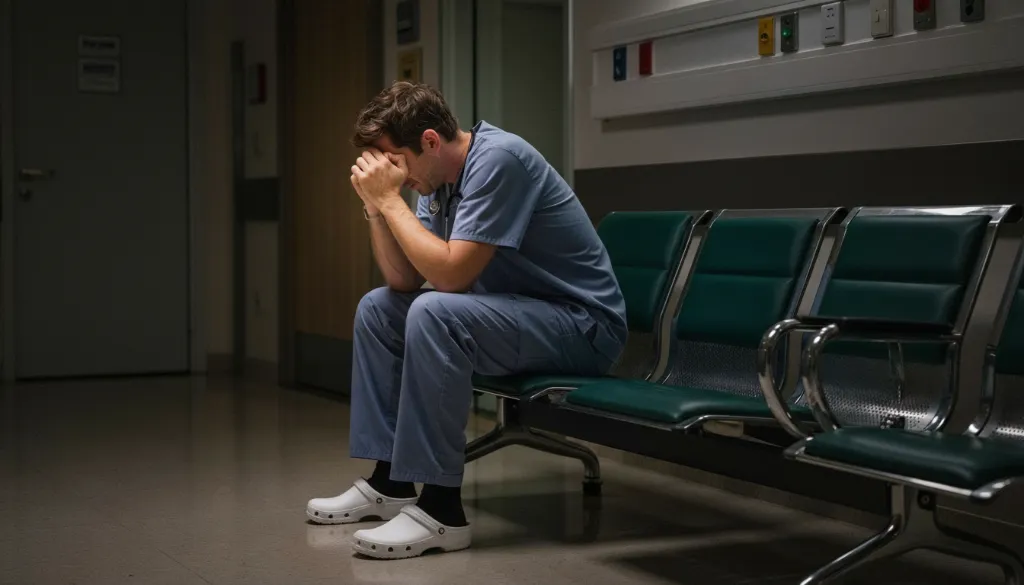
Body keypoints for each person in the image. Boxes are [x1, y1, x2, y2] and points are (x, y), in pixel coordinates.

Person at [305, 81, 627, 560]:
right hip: (518, 317)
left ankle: (441, 511)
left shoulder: (500, 160)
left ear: (431, 141)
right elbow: (404, 280)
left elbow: (452, 278)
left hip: (582, 326)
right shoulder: (435, 181)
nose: (390, 175)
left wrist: (392, 201)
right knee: (379, 308)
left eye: (394, 162)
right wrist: (377, 210)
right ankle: (391, 481)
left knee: (437, 312)